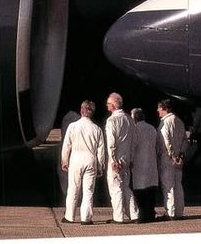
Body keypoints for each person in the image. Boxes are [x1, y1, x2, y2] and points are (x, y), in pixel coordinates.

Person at [61, 100, 105, 225]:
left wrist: (64, 160)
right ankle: (86, 218)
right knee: (88, 191)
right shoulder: (97, 129)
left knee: (73, 189)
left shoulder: (73, 126)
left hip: (76, 158)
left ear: (81, 110)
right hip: (90, 160)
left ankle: (69, 216)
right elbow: (100, 151)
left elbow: (67, 145)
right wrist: (100, 166)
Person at [105, 92, 139, 223]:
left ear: (113, 105)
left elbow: (111, 143)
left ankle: (118, 217)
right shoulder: (129, 119)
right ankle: (134, 214)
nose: (107, 106)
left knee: (116, 188)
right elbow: (134, 141)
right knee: (126, 187)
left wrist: (113, 160)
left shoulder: (111, 120)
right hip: (126, 158)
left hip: (117, 158)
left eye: (108, 103)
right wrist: (130, 158)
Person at [157, 99, 187, 220]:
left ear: (165, 108)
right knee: (178, 185)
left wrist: (172, 155)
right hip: (178, 158)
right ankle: (179, 211)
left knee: (168, 186)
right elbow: (185, 140)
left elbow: (165, 140)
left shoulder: (165, 122)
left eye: (159, 108)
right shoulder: (179, 121)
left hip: (168, 159)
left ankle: (171, 212)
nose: (158, 110)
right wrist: (180, 154)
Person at [131, 108, 158, 223]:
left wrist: (130, 160)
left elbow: (133, 146)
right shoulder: (152, 128)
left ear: (134, 118)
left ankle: (142, 215)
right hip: (151, 162)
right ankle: (151, 213)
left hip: (139, 163)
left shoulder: (135, 129)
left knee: (140, 190)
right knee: (151, 189)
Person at [58, 110, 81, 196]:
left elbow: (66, 145)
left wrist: (64, 161)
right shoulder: (93, 128)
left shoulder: (70, 125)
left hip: (74, 157)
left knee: (71, 188)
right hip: (84, 157)